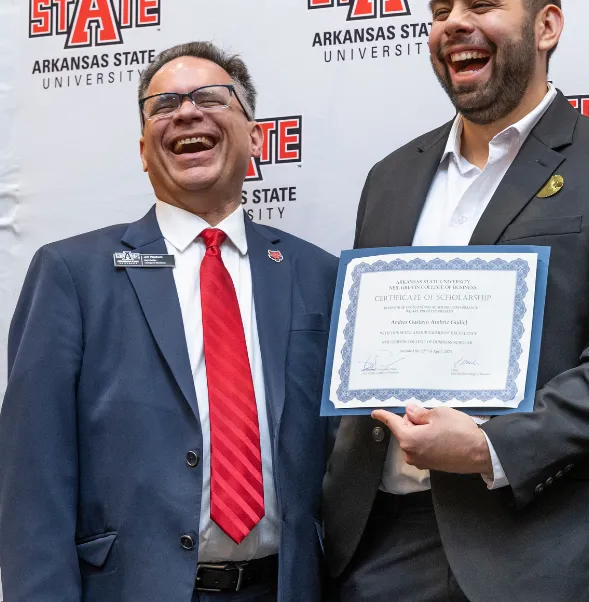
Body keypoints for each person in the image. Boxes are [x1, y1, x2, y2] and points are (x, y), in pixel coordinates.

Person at [323, 0, 589, 602]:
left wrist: (494, 448)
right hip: (380, 546)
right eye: (440, 10)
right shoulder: (390, 177)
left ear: (547, 26)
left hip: (550, 548)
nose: (455, 23)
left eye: (482, 3)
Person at [0, 42, 339, 602]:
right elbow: (32, 483)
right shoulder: (71, 274)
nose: (186, 112)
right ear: (142, 149)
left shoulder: (318, 273)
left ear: (256, 138)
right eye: (163, 106)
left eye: (210, 98)